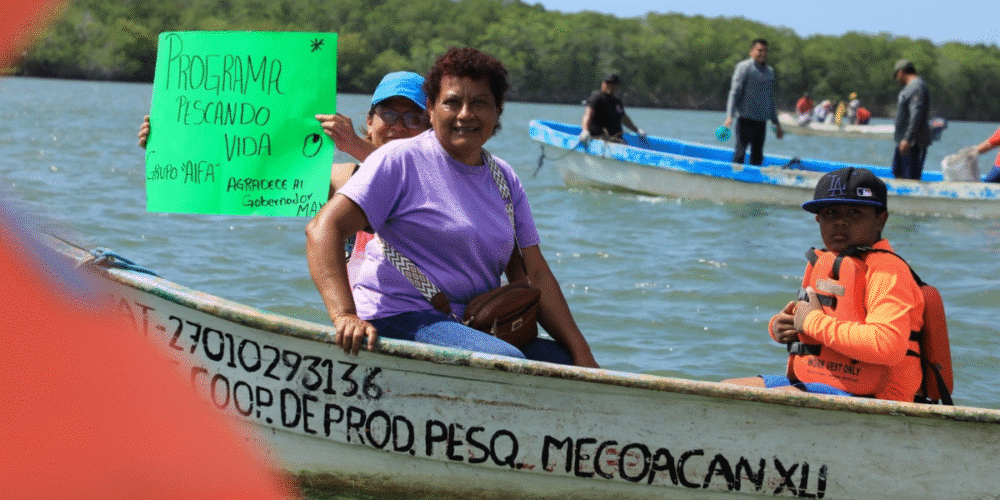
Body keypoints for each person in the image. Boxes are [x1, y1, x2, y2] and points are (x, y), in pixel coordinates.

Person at [306, 47, 600, 368]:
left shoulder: (504, 178)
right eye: (452, 102)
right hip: (398, 315)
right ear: (431, 111)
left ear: (497, 112)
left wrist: (583, 354)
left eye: (480, 103)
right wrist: (345, 315)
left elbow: (536, 275)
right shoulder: (400, 160)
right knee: (504, 360)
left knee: (564, 361)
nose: (465, 114)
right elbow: (323, 229)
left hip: (475, 323)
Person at [722, 167, 925, 402]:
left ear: (881, 219)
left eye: (854, 212)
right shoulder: (827, 262)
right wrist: (782, 327)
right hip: (821, 381)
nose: (840, 221)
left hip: (877, 396)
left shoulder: (887, 270)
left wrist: (810, 321)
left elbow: (887, 345)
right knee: (726, 389)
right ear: (818, 219)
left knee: (776, 399)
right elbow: (812, 320)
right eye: (830, 212)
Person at [723, 38, 783, 166]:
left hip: (761, 121)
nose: (763, 53)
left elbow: (769, 99)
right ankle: (735, 176)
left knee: (757, 157)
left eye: (765, 51)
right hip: (744, 119)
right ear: (751, 51)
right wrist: (730, 115)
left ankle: (753, 178)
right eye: (760, 50)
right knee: (740, 153)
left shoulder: (770, 72)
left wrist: (776, 123)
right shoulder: (744, 67)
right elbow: (734, 93)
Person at [891, 59, 932, 180]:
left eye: (896, 75)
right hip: (904, 142)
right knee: (898, 173)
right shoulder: (911, 87)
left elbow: (916, 115)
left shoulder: (916, 87)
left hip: (913, 143)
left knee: (910, 177)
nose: (897, 79)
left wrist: (907, 139)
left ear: (901, 72)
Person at [579, 73, 646, 143]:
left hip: (616, 138)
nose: (610, 86)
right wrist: (585, 130)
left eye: (613, 84)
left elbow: (623, 118)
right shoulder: (596, 97)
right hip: (598, 138)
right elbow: (587, 115)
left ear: (617, 86)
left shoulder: (617, 102)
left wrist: (637, 130)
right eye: (608, 83)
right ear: (603, 84)